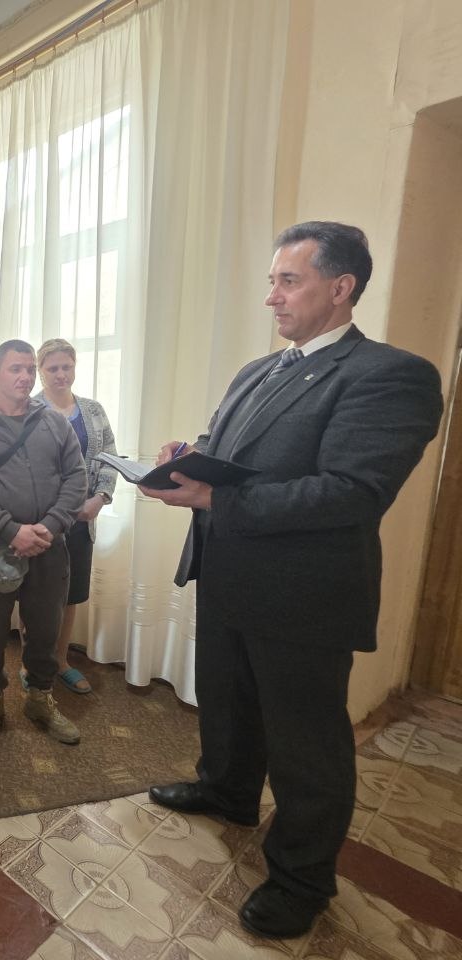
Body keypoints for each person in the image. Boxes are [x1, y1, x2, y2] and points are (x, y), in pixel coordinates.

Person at [141, 222, 443, 940]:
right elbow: (225, 447)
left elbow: (351, 492)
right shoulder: (259, 370)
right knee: (229, 702)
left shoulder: (390, 375)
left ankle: (302, 879)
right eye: (271, 280)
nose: (271, 297)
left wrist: (215, 498)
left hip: (303, 596)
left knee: (307, 746)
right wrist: (189, 456)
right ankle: (227, 791)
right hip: (228, 573)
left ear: (341, 288)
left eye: (288, 281)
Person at [0, 339, 87, 745]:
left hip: (49, 546)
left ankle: (40, 698)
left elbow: (76, 477)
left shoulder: (54, 423)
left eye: (28, 369)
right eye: (15, 369)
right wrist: (11, 529)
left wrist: (50, 526)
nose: (24, 377)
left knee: (45, 627)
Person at [32, 338, 118, 695]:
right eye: (52, 368)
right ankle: (32, 663)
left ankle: (61, 659)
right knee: (38, 594)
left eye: (66, 367)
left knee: (71, 593)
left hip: (82, 520)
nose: (60, 374)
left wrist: (100, 498)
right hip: (42, 520)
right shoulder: (28, 409)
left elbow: (110, 456)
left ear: (75, 367)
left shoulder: (93, 411)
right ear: (40, 371)